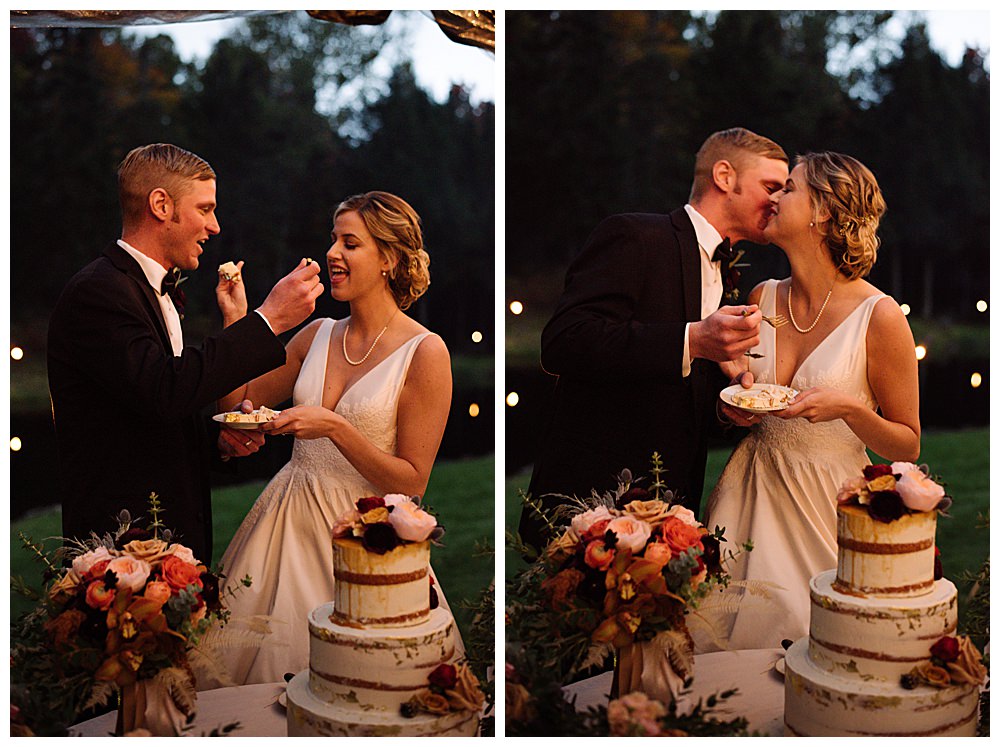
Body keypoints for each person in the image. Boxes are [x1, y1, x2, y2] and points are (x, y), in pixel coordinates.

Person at [211, 191, 455, 685]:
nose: (332, 254)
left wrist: (336, 427)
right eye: (332, 240)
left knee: (356, 686)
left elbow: (413, 483)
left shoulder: (425, 352)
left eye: (350, 243)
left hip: (366, 540)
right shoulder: (315, 334)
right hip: (286, 520)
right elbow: (236, 403)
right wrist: (236, 319)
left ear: (388, 258)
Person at [47, 143, 323, 562]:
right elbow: (164, 388)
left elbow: (148, 406)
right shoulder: (98, 292)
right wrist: (268, 320)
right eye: (205, 209)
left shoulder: (152, 291)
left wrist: (218, 441)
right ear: (161, 205)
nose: (214, 226)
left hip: (165, 542)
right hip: (118, 553)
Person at [519, 127, 788, 551]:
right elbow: (564, 341)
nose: (778, 201)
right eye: (771, 186)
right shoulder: (635, 236)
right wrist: (694, 340)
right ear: (724, 176)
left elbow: (678, 393)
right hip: (590, 505)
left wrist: (726, 406)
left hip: (670, 514)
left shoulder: (728, 275)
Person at [704, 151, 919, 650]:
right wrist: (732, 404)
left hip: (827, 509)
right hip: (748, 497)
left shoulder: (880, 317)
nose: (775, 198)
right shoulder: (762, 298)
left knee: (818, 651)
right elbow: (743, 392)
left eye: (790, 188)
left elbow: (907, 445)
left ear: (822, 211)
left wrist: (848, 409)